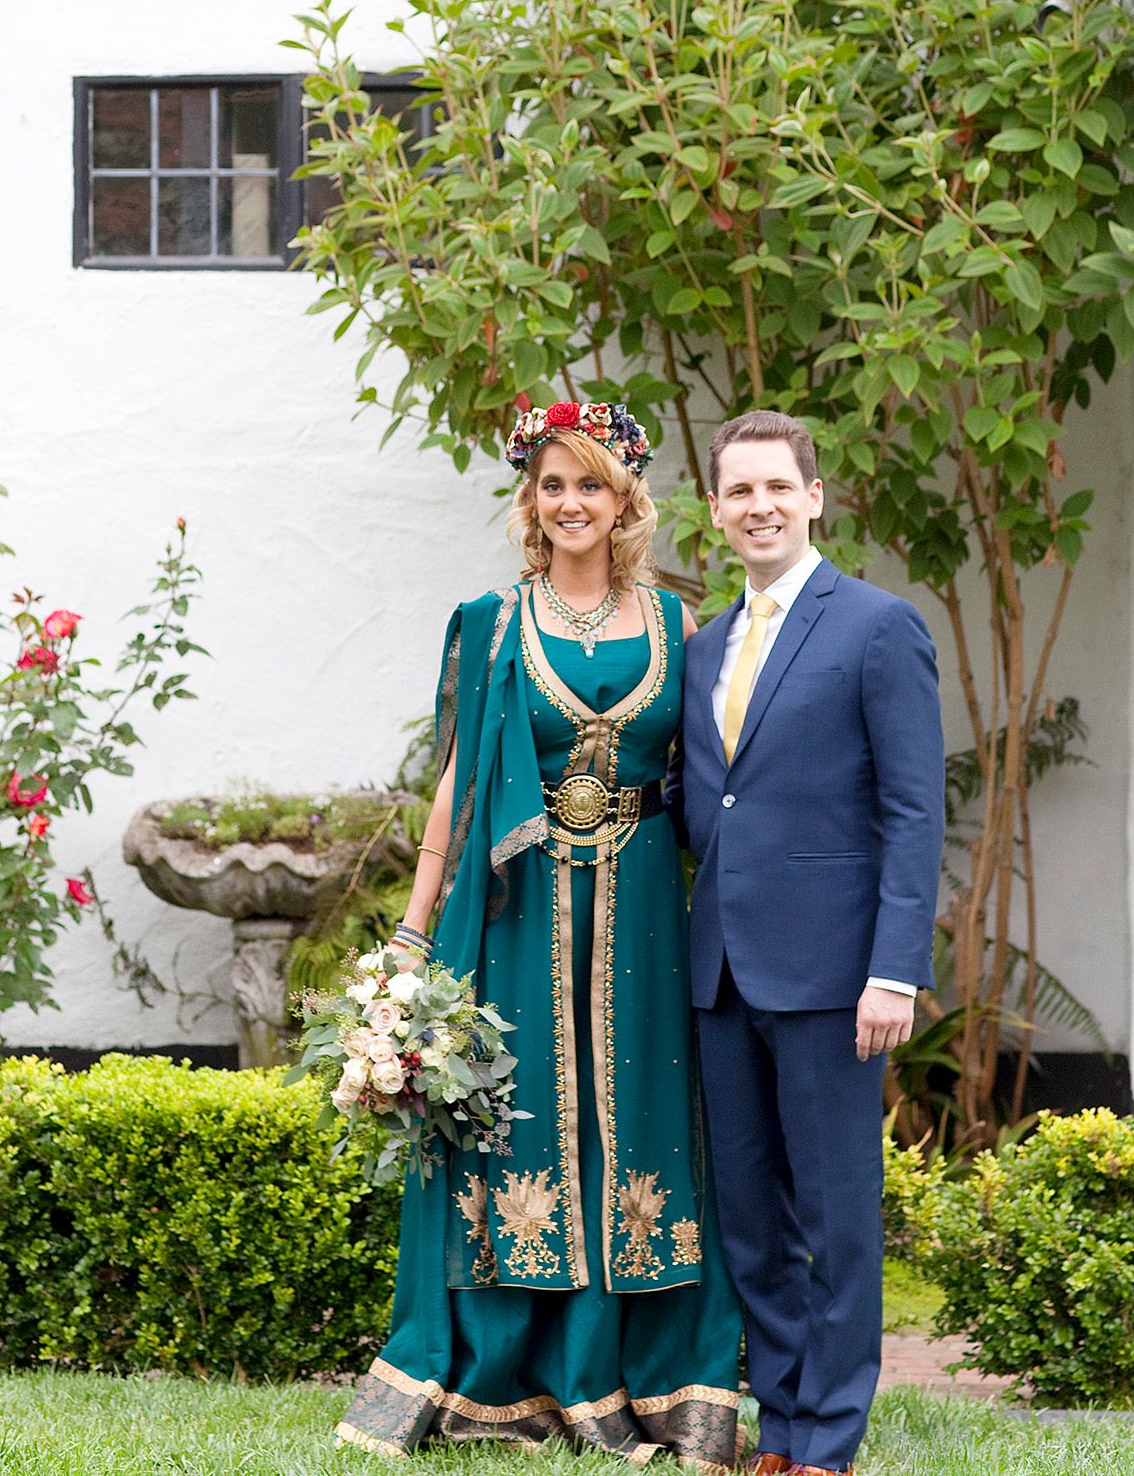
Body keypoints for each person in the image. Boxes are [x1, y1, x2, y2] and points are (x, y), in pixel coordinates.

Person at [339, 398, 743, 1467]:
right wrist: (414, 938)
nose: (572, 503)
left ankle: (636, 1373)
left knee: (638, 1119)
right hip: (518, 912)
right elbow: (462, 785)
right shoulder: (490, 621)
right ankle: (508, 1376)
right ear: (532, 500)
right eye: (553, 484)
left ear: (625, 504)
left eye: (591, 486)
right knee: (524, 1123)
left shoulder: (674, 624)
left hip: (647, 908)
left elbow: (709, 786)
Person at [667, 410, 945, 1476]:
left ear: (815, 496)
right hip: (724, 976)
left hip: (838, 981)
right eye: (738, 492)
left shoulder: (877, 627)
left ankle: (827, 1438)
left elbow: (914, 811)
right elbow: (710, 803)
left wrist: (892, 971)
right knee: (750, 1218)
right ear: (718, 508)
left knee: (835, 1218)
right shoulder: (703, 649)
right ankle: (778, 1428)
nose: (759, 507)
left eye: (777, 487)